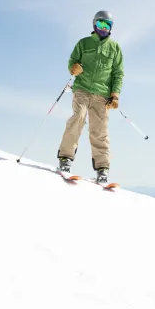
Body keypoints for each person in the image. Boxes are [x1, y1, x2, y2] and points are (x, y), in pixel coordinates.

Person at [56, 10, 124, 183]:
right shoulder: (84, 43)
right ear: (94, 25)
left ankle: (102, 168)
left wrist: (115, 95)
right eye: (100, 24)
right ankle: (65, 158)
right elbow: (72, 61)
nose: (103, 28)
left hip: (102, 95)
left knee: (99, 130)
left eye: (107, 25)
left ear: (111, 28)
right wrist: (74, 68)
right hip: (82, 89)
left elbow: (118, 73)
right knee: (78, 117)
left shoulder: (115, 48)